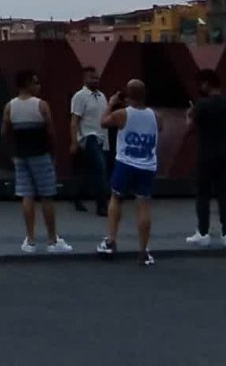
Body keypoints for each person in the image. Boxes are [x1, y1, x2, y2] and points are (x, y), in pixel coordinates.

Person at [4, 70, 71, 253]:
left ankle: (30, 240)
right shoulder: (41, 105)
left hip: (20, 155)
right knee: (47, 195)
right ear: (27, 84)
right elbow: (51, 133)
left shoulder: (10, 107)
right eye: (35, 82)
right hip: (40, 155)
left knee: (27, 196)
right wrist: (53, 154)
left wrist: (12, 152)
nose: (38, 86)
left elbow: (5, 132)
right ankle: (52, 240)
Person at [96, 79, 159, 265]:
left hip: (125, 163)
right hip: (147, 165)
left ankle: (110, 241)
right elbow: (160, 129)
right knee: (144, 206)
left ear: (127, 95)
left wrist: (111, 103)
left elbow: (103, 122)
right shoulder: (156, 116)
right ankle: (143, 250)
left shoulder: (122, 114)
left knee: (116, 199)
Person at [187, 69, 226, 246]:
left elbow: (190, 127)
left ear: (207, 84)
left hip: (205, 154)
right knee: (224, 193)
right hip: (224, 153)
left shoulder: (201, 105)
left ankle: (203, 232)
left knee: (203, 194)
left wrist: (190, 114)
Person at [67, 67, 110, 216]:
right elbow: (74, 121)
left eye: (97, 78)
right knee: (100, 169)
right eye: (92, 78)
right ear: (85, 79)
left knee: (88, 172)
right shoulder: (80, 96)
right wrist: (74, 141)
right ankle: (102, 205)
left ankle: (77, 196)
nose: (95, 80)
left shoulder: (102, 96)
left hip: (102, 137)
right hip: (88, 137)